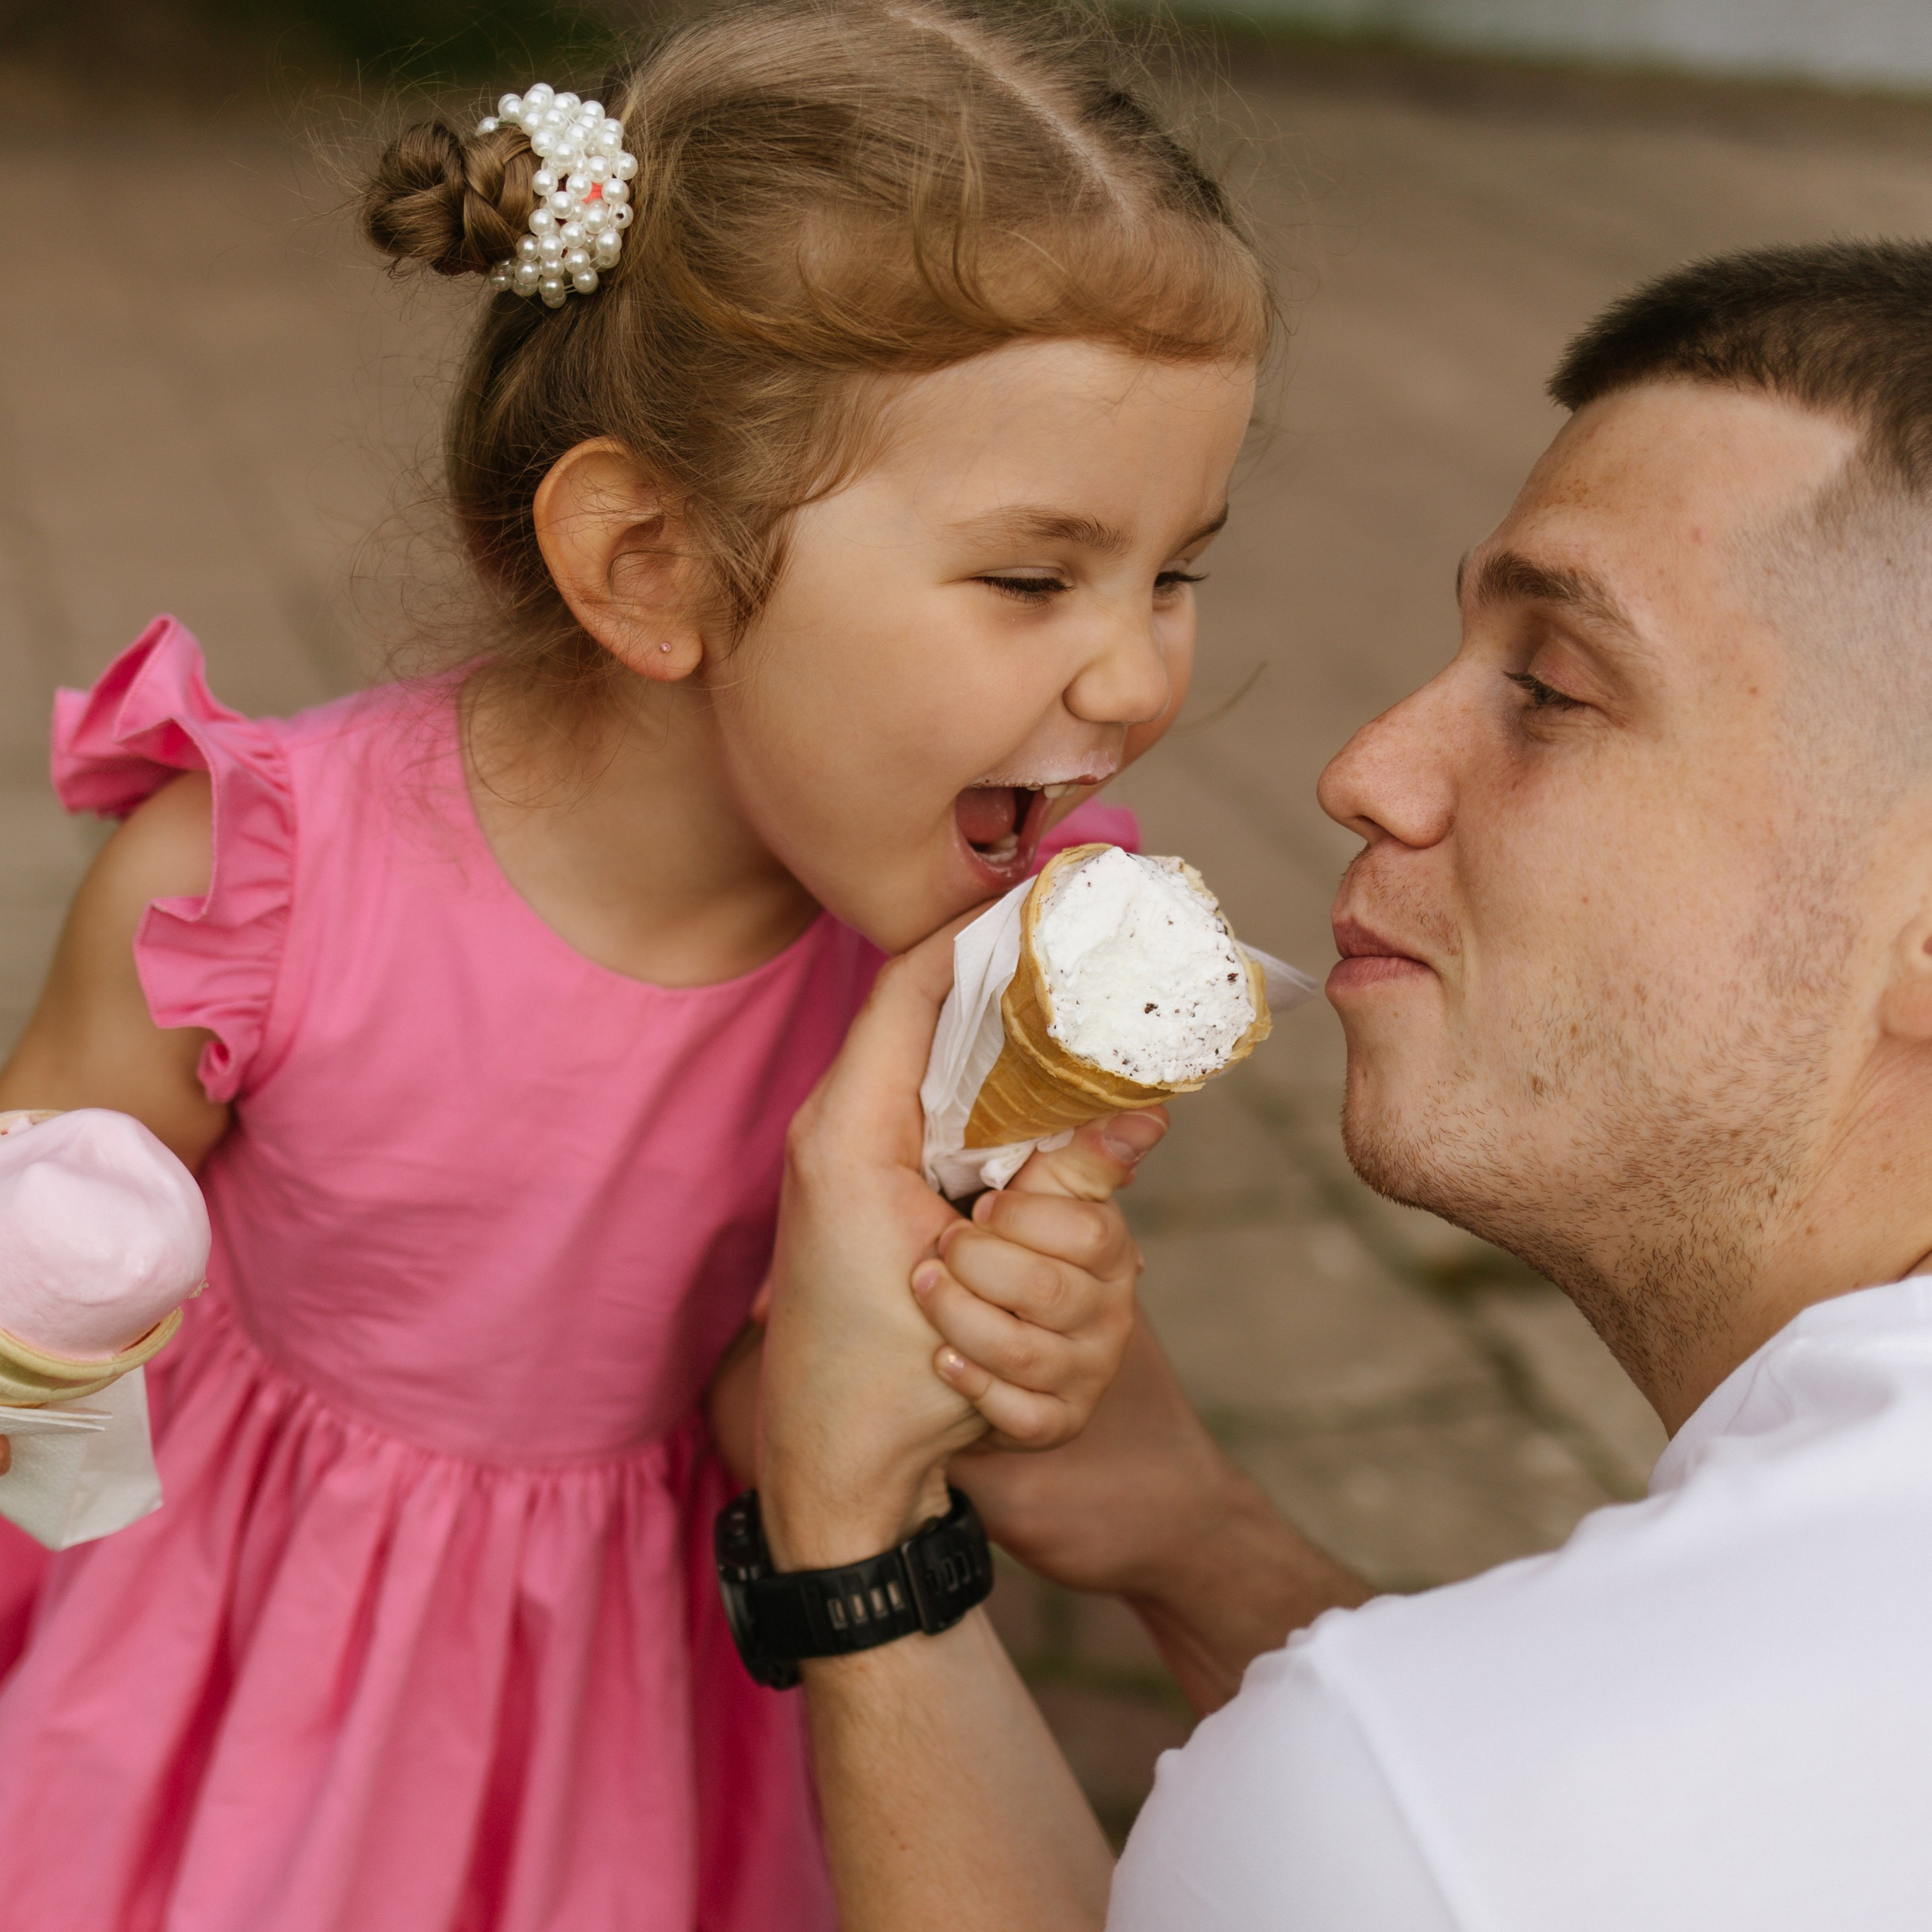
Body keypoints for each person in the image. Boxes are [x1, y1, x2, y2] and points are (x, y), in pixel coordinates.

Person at [0, 5, 1272, 1926]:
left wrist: (988, 1348)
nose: (1138, 673)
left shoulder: (965, 989)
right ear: (652, 562)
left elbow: (778, 1418)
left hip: (641, 1675)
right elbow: (49, 1255)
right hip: (226, 1621)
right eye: (1035, 576)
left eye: (1174, 572)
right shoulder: (254, 884)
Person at [749, 238, 1932, 1930]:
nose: (1359, 768)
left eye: (1547, 687)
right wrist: (1191, 1537)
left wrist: (852, 1524)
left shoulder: (1423, 1801)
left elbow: (1432, 1829)